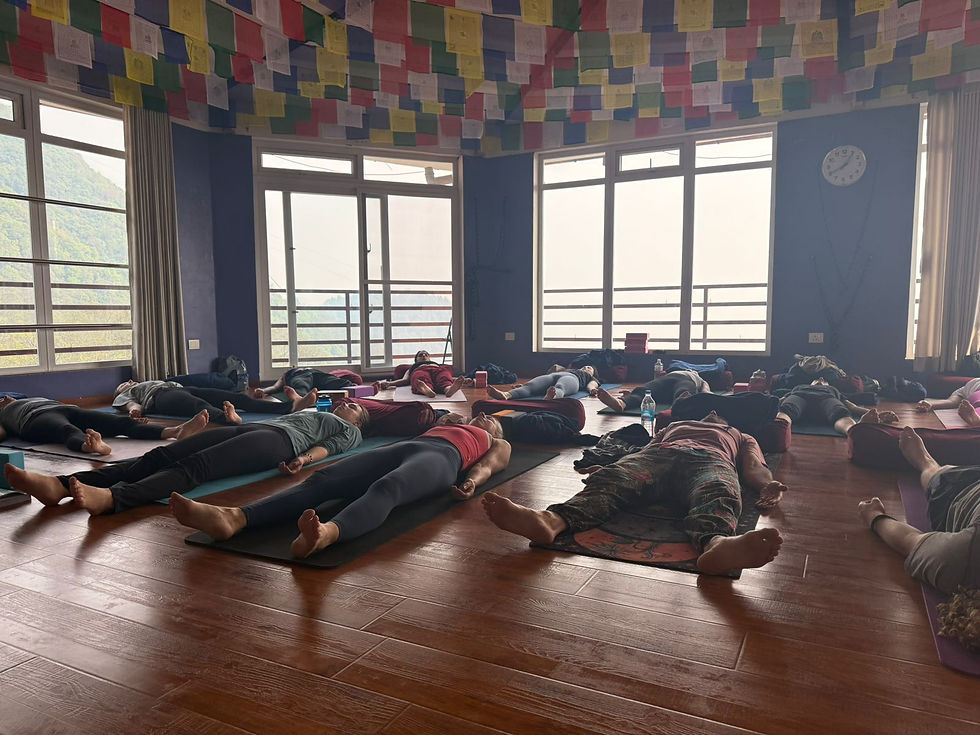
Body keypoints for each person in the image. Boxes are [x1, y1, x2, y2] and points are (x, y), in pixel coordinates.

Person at [482, 410, 786, 575]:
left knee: (719, 491)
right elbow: (643, 451)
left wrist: (767, 484)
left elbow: (752, 467)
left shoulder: (740, 436)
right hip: (661, 455)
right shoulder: (674, 426)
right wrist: (613, 467)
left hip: (710, 461)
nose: (712, 413)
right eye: (708, 412)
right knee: (615, 480)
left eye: (718, 414)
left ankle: (717, 545)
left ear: (725, 422)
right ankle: (550, 522)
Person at [171, 413, 511, 559]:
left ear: (495, 430)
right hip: (407, 446)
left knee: (388, 487)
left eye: (491, 420)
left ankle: (326, 534)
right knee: (325, 479)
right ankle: (234, 518)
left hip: (444, 460)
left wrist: (471, 481)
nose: (484, 419)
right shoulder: (452, 421)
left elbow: (489, 466)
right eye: (482, 417)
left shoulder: (494, 441)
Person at [4, 402, 370, 515]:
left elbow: (330, 449)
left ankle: (115, 499)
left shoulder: (350, 431)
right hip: (263, 427)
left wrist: (304, 459)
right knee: (162, 453)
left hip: (279, 445)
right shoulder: (317, 410)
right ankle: (59, 485)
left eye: (353, 407)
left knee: (195, 468)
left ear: (358, 420)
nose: (345, 405)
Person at [858, 427, 979, 651]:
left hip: (957, 489)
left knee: (937, 474)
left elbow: (910, 540)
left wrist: (874, 517)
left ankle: (924, 460)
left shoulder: (962, 561)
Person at [0, 395, 207, 456]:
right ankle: (90, 446)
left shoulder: (25, 397)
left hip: (67, 408)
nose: (5, 398)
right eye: (2, 399)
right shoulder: (4, 412)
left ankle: (175, 431)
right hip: (33, 420)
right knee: (67, 431)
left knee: (120, 423)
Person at [113, 379, 316, 424]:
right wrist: (134, 410)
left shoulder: (151, 380)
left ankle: (288, 407)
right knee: (197, 406)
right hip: (161, 398)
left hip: (178, 388)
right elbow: (130, 404)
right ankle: (226, 418)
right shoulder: (128, 393)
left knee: (236, 398)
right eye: (126, 383)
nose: (130, 382)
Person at [775, 378, 898, 435]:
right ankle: (779, 427)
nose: (821, 379)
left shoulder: (832, 389)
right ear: (811, 382)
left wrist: (876, 414)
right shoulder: (799, 387)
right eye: (817, 379)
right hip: (800, 397)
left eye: (824, 380)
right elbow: (781, 401)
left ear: (827, 384)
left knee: (841, 412)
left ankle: (853, 431)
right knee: (787, 408)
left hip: (827, 399)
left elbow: (852, 407)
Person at [595, 369, 711, 412]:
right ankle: (621, 403)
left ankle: (677, 409)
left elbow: (706, 391)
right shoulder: (673, 371)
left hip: (684, 381)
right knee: (643, 391)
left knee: (683, 391)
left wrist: (707, 394)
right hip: (666, 381)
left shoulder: (698, 378)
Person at [374, 350, 471, 398]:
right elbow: (405, 380)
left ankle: (449, 389)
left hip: (438, 370)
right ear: (416, 360)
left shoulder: (437, 364)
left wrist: (460, 380)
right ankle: (426, 389)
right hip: (421, 370)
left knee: (444, 377)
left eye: (426, 354)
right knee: (420, 378)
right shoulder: (413, 367)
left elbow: (448, 377)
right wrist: (390, 384)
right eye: (421, 355)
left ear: (429, 358)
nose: (424, 356)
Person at [488, 364, 600, 401]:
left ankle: (552, 397)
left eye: (589, 368)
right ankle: (506, 395)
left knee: (560, 387)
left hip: (572, 379)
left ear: (592, 373)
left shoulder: (589, 378)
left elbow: (592, 385)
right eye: (584, 366)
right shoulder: (567, 369)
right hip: (552, 376)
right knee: (529, 386)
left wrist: (592, 390)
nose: (586, 367)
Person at [249, 367, 356, 399]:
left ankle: (359, 389)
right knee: (301, 385)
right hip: (300, 375)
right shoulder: (288, 374)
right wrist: (263, 390)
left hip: (317, 376)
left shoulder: (307, 370)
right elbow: (275, 387)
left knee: (336, 382)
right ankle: (300, 398)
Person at [915, 377, 980, 427]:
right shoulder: (973, 384)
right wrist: (931, 404)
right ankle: (977, 420)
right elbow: (953, 401)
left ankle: (977, 420)